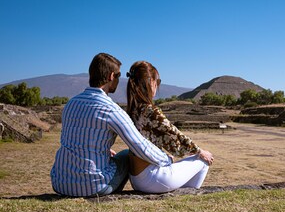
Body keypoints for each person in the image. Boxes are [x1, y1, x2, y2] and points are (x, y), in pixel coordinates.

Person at [50, 53, 172, 197]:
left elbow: (74, 140)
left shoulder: (71, 103)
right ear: (111, 76)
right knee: (128, 154)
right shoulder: (110, 109)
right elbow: (139, 145)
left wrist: (103, 150)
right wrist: (166, 159)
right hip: (92, 186)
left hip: (60, 183)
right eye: (119, 76)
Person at [126, 61, 214, 193]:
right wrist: (200, 151)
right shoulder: (150, 111)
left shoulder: (133, 110)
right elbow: (174, 136)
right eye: (158, 81)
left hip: (135, 177)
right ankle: (189, 196)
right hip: (151, 178)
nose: (157, 85)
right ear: (150, 82)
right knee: (204, 160)